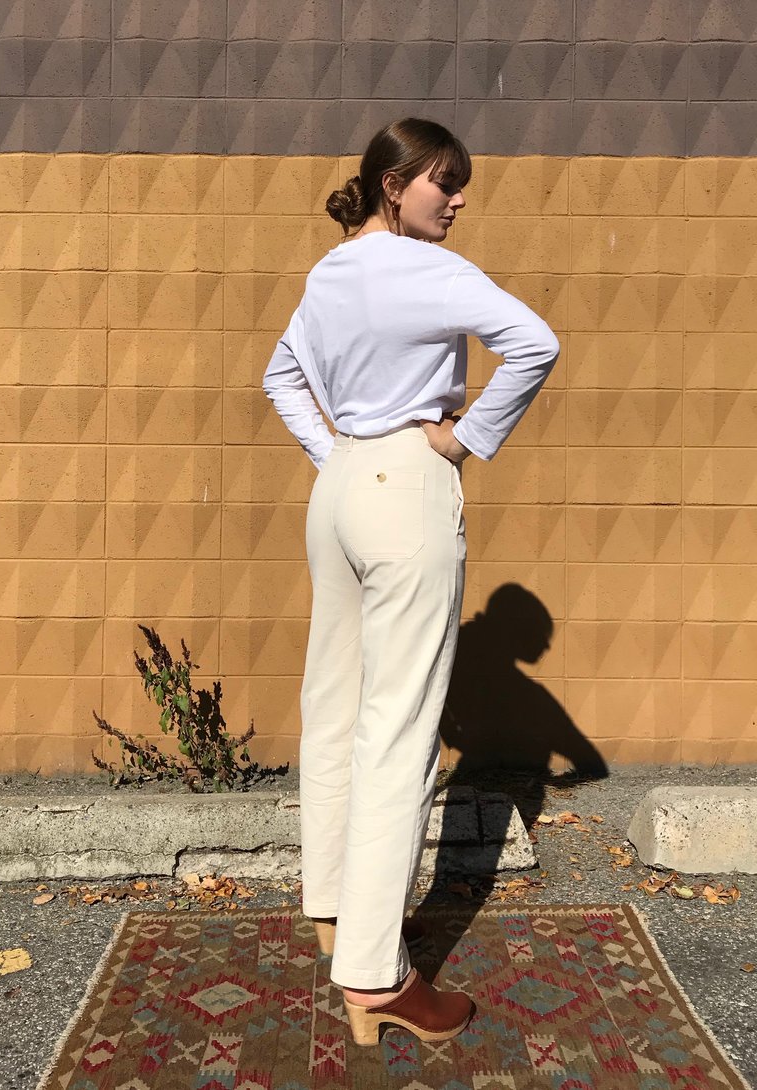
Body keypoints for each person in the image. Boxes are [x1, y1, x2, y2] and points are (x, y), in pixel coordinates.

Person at [262, 117, 560, 1047]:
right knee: (396, 730)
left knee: (334, 703)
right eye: (444, 182)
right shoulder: (431, 272)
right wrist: (461, 439)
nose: (459, 199)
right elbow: (537, 343)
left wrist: (340, 457)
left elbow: (280, 376)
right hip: (405, 486)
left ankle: (333, 909)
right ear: (394, 185)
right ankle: (375, 976)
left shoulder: (330, 272)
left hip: (341, 487)